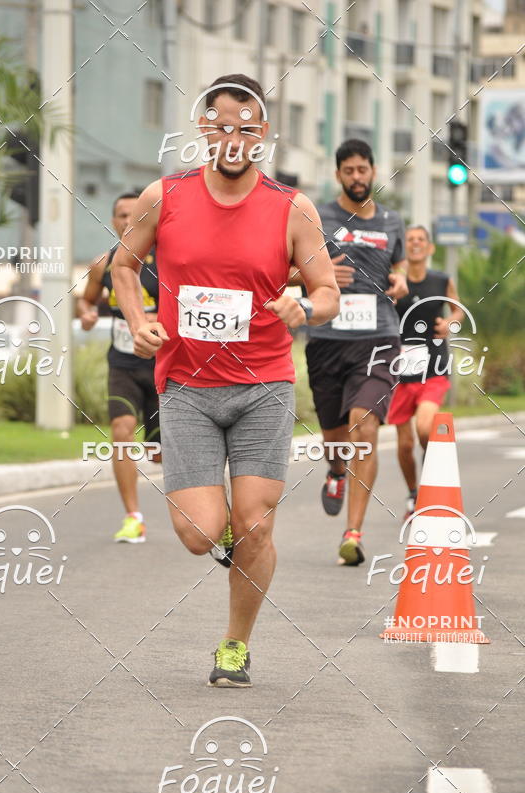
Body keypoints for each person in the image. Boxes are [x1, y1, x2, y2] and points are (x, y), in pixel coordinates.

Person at [112, 74, 339, 688]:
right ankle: (234, 528)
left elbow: (327, 292)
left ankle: (235, 645)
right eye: (222, 128)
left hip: (264, 385)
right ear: (204, 131)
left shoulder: (292, 208)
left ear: (262, 134)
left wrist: (305, 307)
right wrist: (137, 321)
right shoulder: (165, 196)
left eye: (246, 128)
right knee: (197, 534)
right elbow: (124, 266)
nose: (233, 139)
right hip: (187, 388)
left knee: (256, 524)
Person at [305, 139, 407, 566]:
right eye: (348, 170)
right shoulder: (317, 217)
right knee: (335, 439)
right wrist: (317, 273)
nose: (357, 177)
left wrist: (400, 280)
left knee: (363, 427)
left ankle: (353, 533)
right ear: (338, 175)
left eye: (363, 169)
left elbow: (399, 266)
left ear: (373, 171)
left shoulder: (391, 221)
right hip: (327, 340)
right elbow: (286, 267)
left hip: (379, 338)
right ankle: (335, 471)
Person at [78, 193, 160, 543]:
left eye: (134, 214)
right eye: (121, 215)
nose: (128, 221)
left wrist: (157, 320)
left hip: (164, 367)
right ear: (113, 221)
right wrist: (86, 314)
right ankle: (133, 517)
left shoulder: (168, 260)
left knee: (161, 452)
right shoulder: (104, 263)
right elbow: (86, 300)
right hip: (123, 364)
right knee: (121, 432)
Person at [387, 224, 463, 519]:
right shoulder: (394, 281)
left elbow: (457, 310)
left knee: (423, 428)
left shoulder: (442, 280)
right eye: (410, 240)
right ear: (404, 248)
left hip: (434, 368)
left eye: (421, 239)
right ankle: (413, 494)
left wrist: (450, 323)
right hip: (399, 371)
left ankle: (432, 483)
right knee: (405, 444)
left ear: (430, 248)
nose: (415, 243)